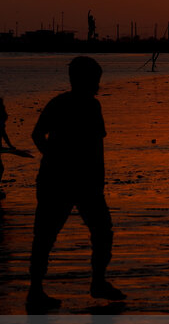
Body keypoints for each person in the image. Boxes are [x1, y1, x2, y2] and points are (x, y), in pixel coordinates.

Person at [27, 56, 123, 311]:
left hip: (80, 182)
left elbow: (40, 136)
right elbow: (39, 135)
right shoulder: (76, 105)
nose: (98, 84)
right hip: (62, 181)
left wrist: (54, 159)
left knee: (100, 232)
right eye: (95, 79)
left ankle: (97, 283)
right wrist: (56, 160)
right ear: (84, 79)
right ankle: (36, 292)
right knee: (47, 236)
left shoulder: (82, 104)